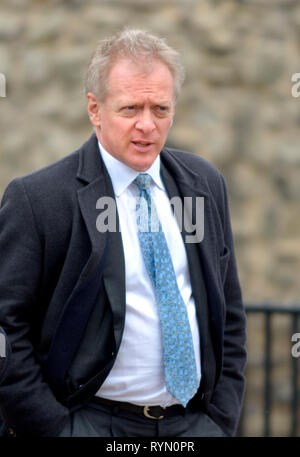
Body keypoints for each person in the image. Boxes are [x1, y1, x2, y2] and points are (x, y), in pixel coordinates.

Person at [0, 29, 247, 437]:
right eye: (130, 108)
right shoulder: (38, 199)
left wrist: (220, 421)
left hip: (194, 425)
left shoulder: (204, 183)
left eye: (161, 109)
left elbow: (230, 313)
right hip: (91, 423)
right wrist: (57, 430)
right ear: (95, 109)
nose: (147, 125)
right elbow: (7, 330)